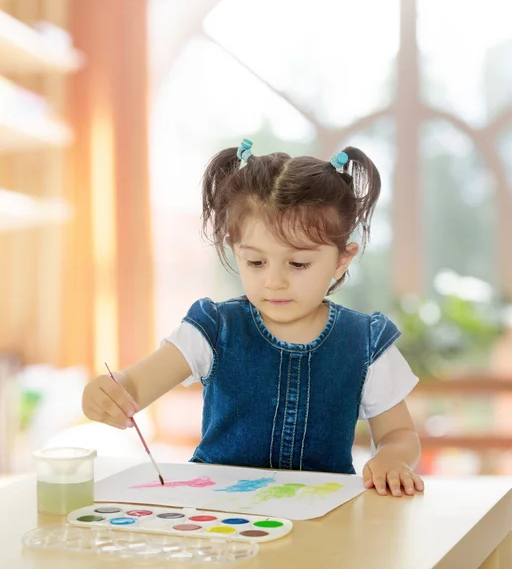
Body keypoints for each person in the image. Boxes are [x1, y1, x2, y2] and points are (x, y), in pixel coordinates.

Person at [82, 139, 424, 497]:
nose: (274, 280)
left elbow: (398, 434)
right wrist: (105, 393)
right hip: (219, 520)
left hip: (324, 521)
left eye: (298, 264)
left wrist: (393, 458)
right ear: (235, 251)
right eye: (256, 262)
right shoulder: (213, 329)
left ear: (342, 258)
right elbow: (132, 387)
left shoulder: (366, 343)